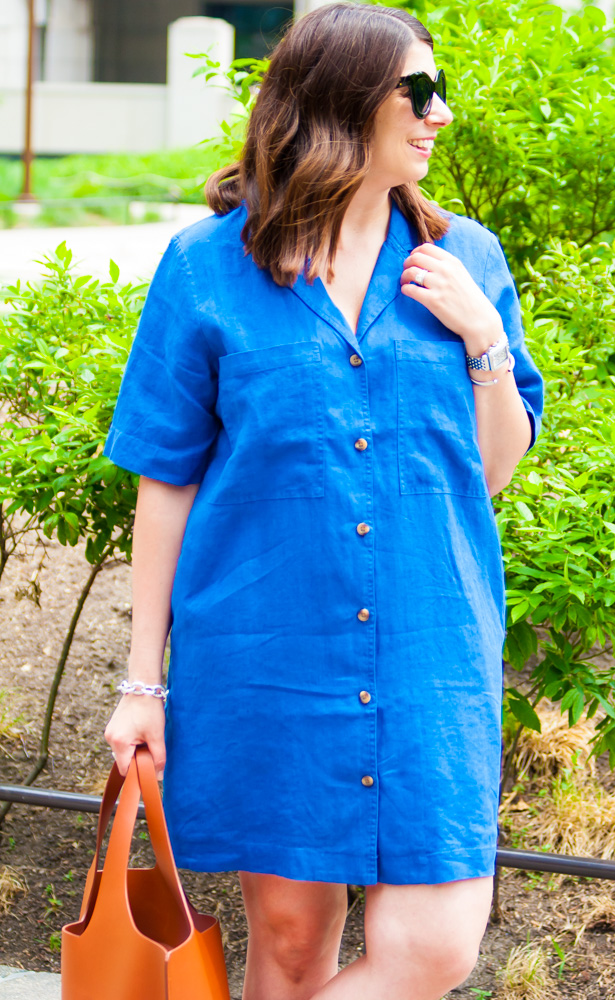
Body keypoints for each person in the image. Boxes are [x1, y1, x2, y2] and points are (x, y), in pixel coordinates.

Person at [103, 2, 544, 998]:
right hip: (268, 655)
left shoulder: (464, 260)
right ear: (341, 101)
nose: (440, 113)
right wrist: (142, 683)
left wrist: (482, 343)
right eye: (417, 92)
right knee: (295, 949)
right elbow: (164, 481)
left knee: (435, 950)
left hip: (431, 655)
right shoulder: (206, 268)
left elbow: (493, 467)